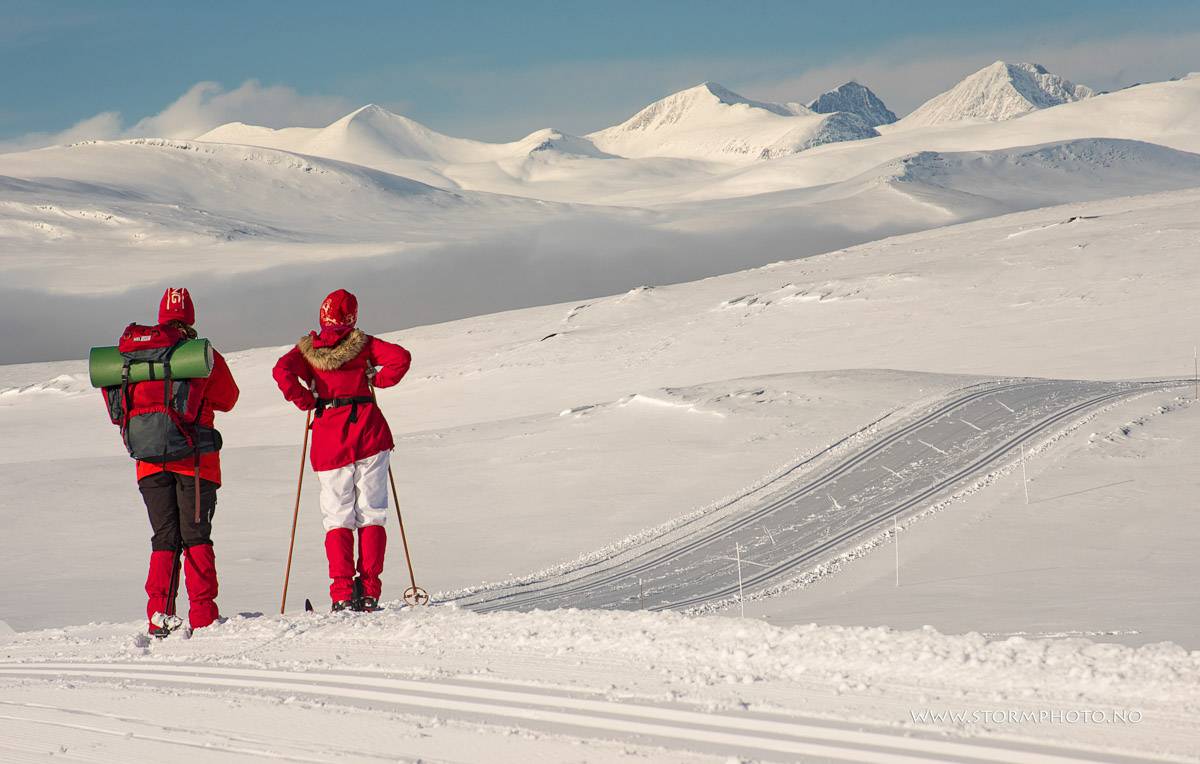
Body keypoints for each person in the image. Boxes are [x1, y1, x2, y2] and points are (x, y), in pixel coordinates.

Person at [105, 288, 239, 635]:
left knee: (163, 537)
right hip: (196, 463)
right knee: (196, 536)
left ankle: (158, 616)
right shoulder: (200, 355)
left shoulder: (131, 358)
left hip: (148, 463)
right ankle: (203, 617)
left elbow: (117, 409)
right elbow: (229, 399)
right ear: (190, 317)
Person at [272, 289, 411, 612]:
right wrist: (379, 379)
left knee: (338, 517)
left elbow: (282, 371)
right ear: (352, 317)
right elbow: (401, 358)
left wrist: (305, 399)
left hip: (329, 438)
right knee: (372, 512)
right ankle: (370, 591)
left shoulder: (308, 350)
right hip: (369, 433)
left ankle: (342, 593)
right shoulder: (363, 344)